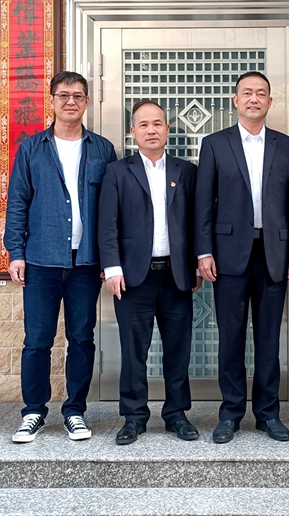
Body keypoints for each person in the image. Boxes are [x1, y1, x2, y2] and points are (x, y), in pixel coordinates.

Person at [195, 71, 289, 443]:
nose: (254, 99)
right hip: (228, 255)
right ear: (235, 100)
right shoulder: (215, 144)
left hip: (274, 254)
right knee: (230, 338)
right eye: (247, 93)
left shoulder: (287, 147)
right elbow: (203, 203)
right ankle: (230, 413)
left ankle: (267, 413)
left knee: (268, 339)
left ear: (270, 101)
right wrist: (203, 251)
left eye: (261, 93)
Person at [4, 71, 116, 443]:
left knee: (82, 338)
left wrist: (110, 257)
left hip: (86, 263)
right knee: (37, 339)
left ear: (87, 102)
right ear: (51, 100)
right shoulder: (31, 148)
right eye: (63, 95)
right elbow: (17, 201)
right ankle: (33, 412)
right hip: (41, 259)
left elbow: (111, 209)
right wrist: (16, 252)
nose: (71, 101)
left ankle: (75, 412)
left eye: (78, 95)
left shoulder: (102, 149)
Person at [98, 100, 200, 445]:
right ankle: (134, 416)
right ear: (133, 132)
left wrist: (197, 262)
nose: (151, 130)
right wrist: (112, 268)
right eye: (143, 125)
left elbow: (196, 221)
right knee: (133, 351)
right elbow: (107, 224)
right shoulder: (117, 172)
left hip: (176, 275)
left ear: (167, 129)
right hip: (132, 277)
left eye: (157, 123)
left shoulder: (186, 171)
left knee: (178, 349)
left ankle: (176, 414)